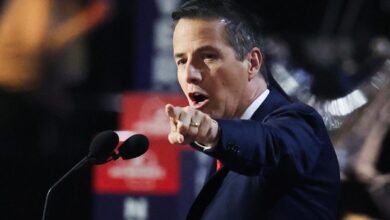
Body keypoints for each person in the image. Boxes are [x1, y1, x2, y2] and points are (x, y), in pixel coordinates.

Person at [164, 0, 340, 219]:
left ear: (253, 63)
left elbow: (270, 146)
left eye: (208, 56)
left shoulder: (300, 123)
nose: (189, 74)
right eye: (181, 61)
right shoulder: (227, 151)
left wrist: (215, 133)